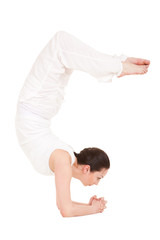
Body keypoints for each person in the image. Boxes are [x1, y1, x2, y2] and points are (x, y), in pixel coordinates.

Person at [15, 31, 150, 218]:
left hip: (37, 106)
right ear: (86, 168)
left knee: (62, 50)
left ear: (86, 168)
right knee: (62, 48)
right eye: (99, 177)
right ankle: (119, 64)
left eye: (99, 178)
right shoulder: (64, 159)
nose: (97, 183)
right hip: (38, 106)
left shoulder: (63, 159)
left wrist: (90, 207)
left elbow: (64, 206)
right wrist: (94, 209)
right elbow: (66, 209)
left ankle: (119, 64)